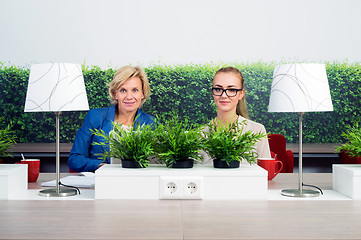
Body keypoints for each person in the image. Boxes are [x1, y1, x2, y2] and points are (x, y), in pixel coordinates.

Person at [68, 65, 156, 172]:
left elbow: (156, 162)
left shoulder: (151, 123)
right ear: (115, 94)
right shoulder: (95, 117)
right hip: (101, 182)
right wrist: (101, 166)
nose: (129, 96)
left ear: (142, 94)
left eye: (135, 90)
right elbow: (75, 159)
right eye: (123, 90)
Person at [208, 66, 271, 160]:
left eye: (231, 90)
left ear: (241, 94)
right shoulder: (200, 134)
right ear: (213, 92)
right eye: (218, 89)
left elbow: (266, 172)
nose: (224, 95)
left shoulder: (257, 130)